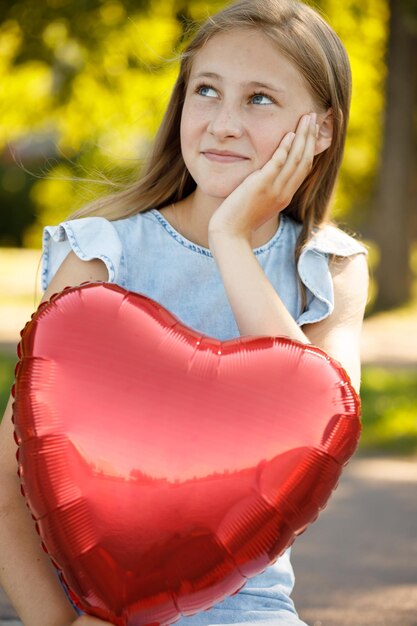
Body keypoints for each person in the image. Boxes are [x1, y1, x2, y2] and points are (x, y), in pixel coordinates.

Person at [0, 0, 369, 624]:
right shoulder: (104, 254)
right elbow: (9, 487)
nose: (223, 123)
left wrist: (232, 240)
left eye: (259, 99)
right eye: (207, 91)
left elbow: (310, 429)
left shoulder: (327, 269)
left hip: (248, 608)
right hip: (91, 607)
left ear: (323, 129)